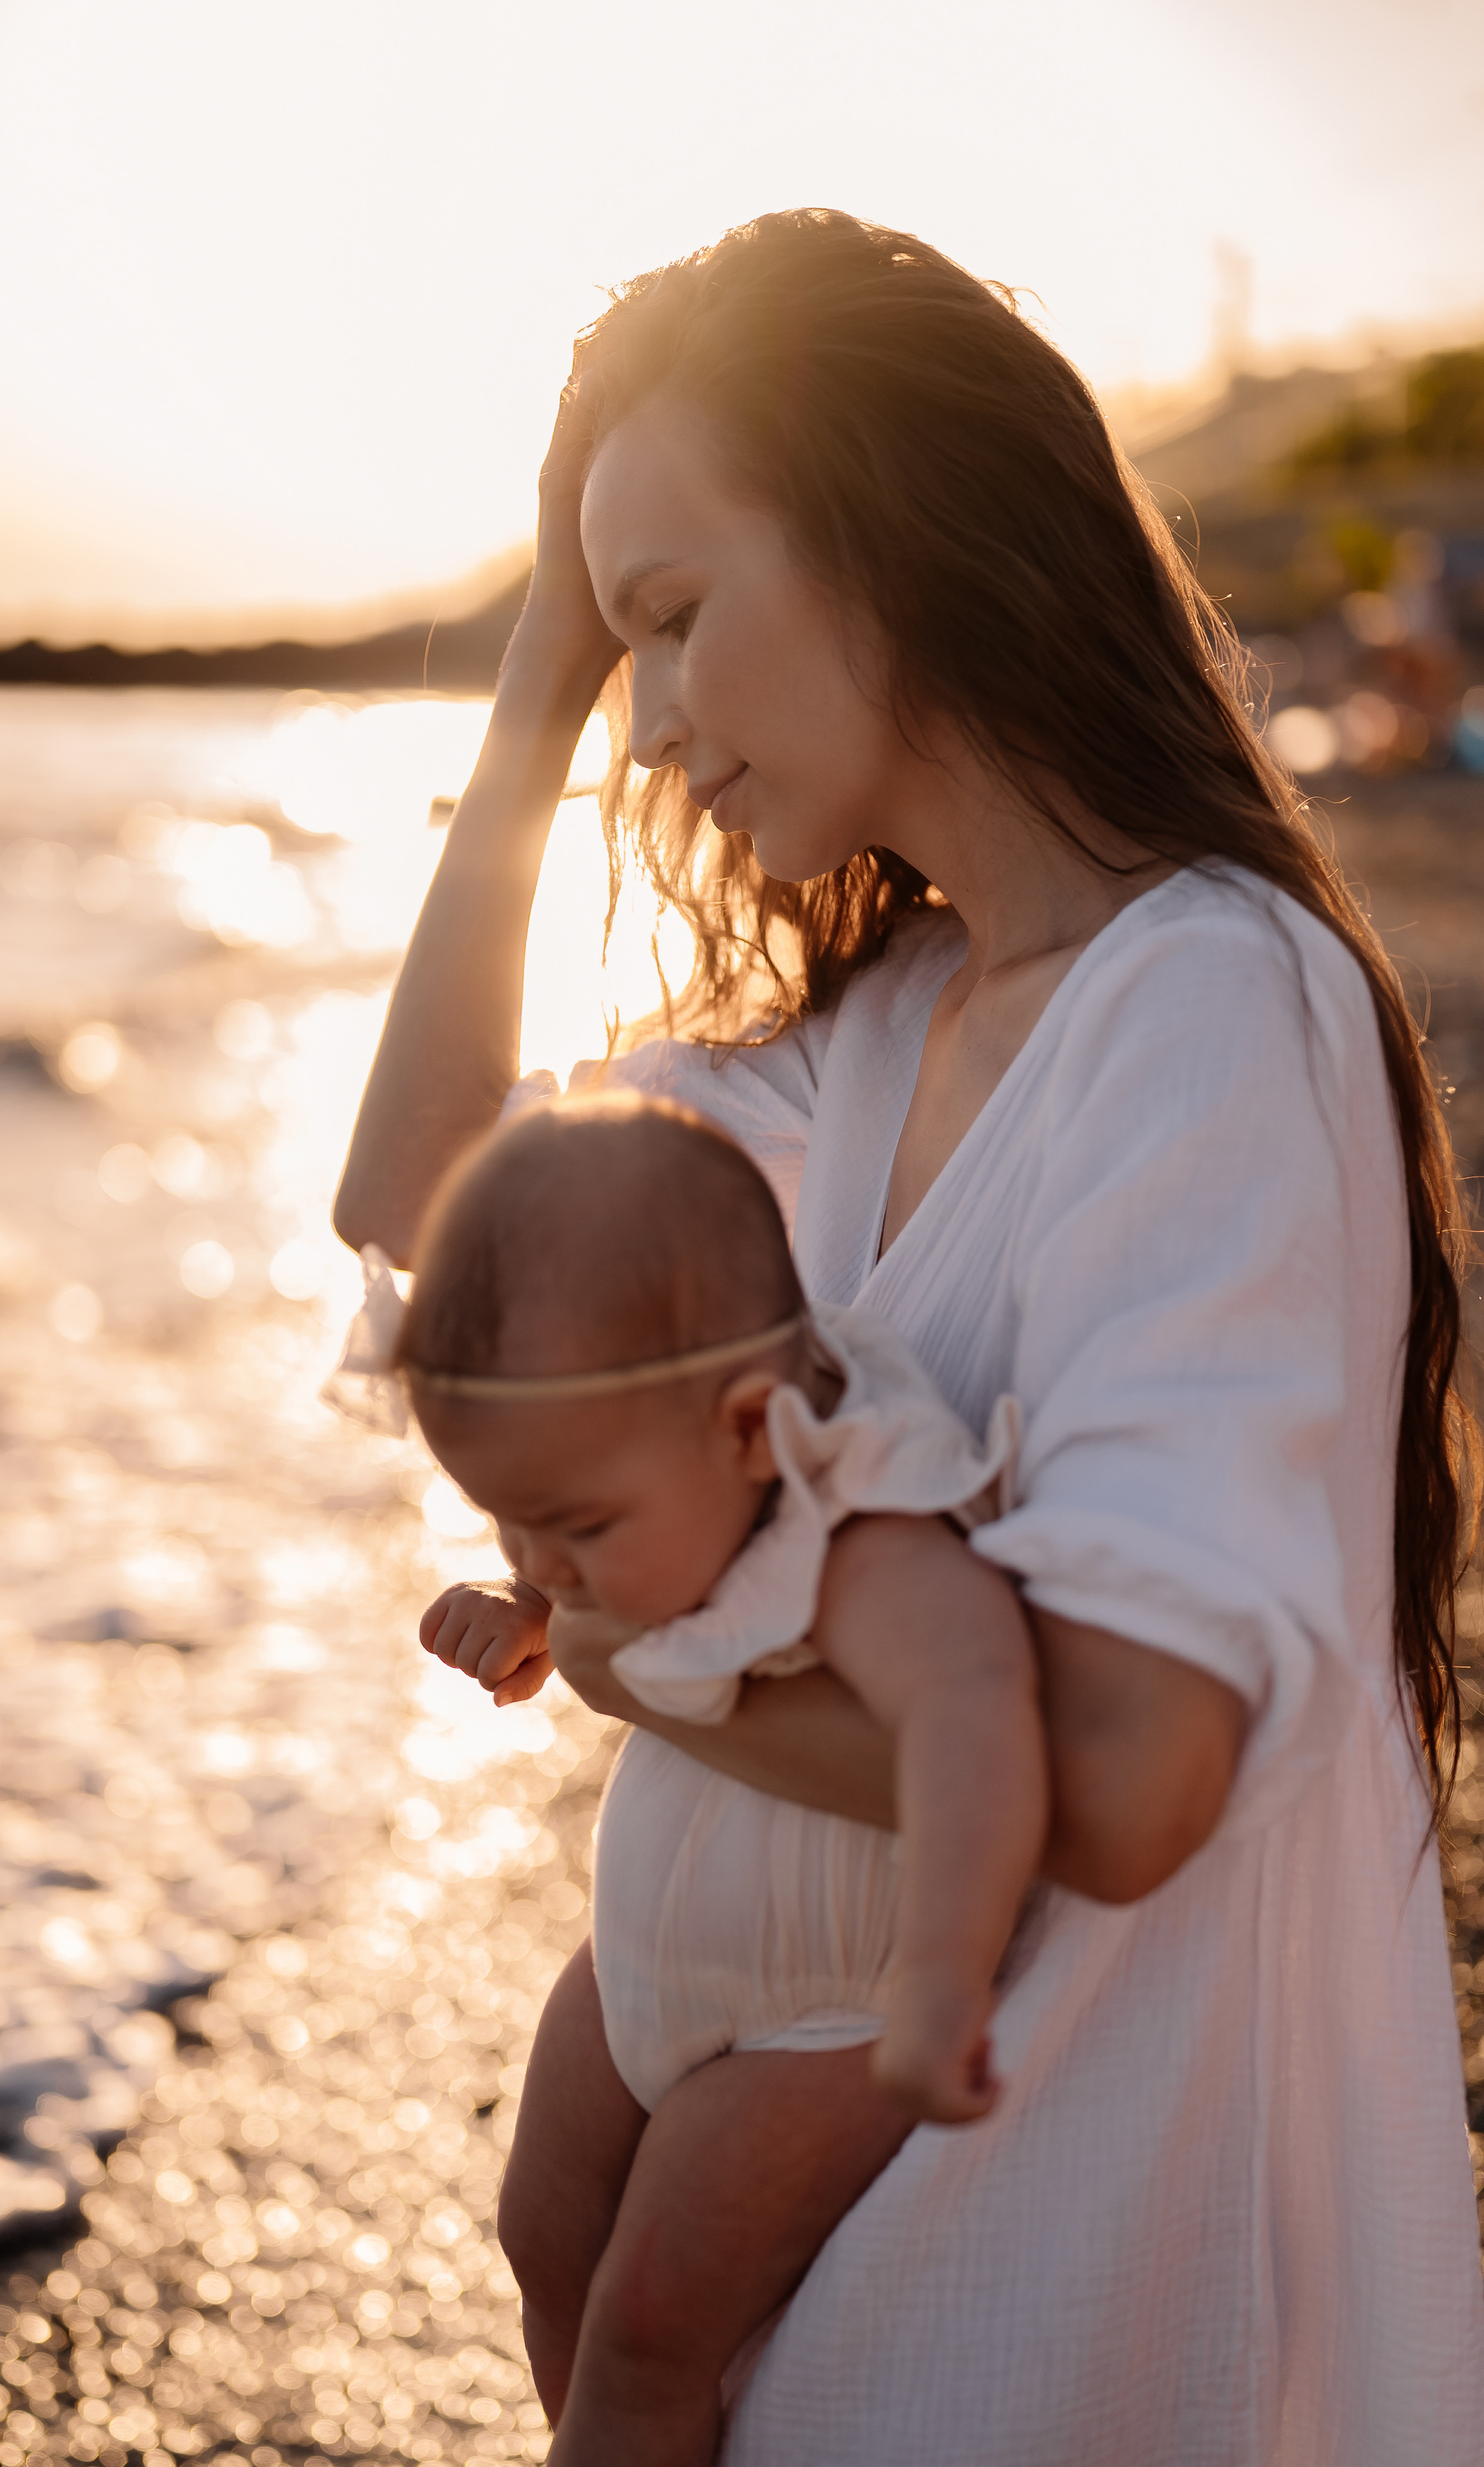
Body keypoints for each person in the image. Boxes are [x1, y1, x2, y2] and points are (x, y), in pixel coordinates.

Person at [335, 209, 1484, 2464]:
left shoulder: (1208, 1003)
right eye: (627, 647)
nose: (657, 719)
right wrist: (543, 666)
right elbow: (432, 1215)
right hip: (875, 2270)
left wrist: (646, 1661)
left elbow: (1136, 1772)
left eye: (680, 616)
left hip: (1039, 2277)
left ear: (894, 532)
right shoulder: (884, 1027)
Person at [350, 1090, 1040, 2464]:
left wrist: (943, 1982)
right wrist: (534, 1603)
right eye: (511, 1522)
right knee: (542, 2239)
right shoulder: (671, 1471)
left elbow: (977, 1718)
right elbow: (626, 1577)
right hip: (638, 1961)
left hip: (825, 2012)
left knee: (655, 2320)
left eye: (577, 1525)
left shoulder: (868, 1522)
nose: (546, 1556)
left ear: (746, 1428)